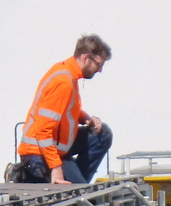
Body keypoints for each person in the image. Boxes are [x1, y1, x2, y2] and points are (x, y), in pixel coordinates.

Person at [13, 34, 113, 185]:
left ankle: (78, 185)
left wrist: (86, 118)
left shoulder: (67, 72)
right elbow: (43, 130)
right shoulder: (63, 82)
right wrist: (55, 167)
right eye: (98, 64)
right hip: (38, 154)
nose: (100, 70)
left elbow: (67, 109)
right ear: (85, 58)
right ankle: (75, 188)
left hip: (56, 147)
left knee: (102, 134)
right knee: (80, 194)